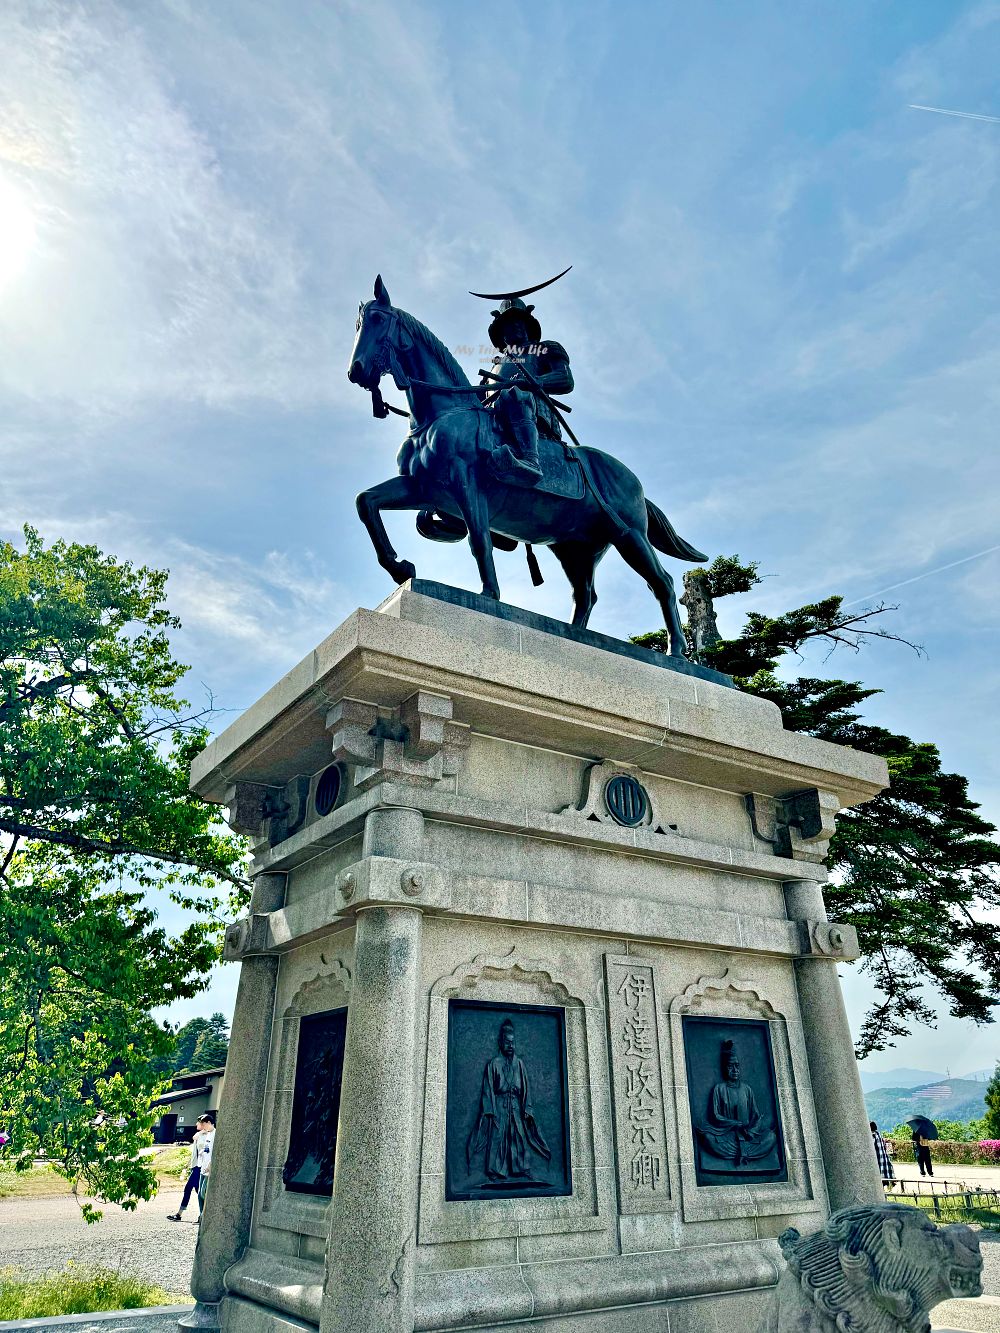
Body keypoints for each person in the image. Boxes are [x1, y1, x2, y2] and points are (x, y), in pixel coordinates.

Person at [480, 297, 574, 480]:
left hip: (533, 413)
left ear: (527, 326)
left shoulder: (545, 348)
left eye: (519, 322)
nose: (515, 326)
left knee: (515, 395)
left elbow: (565, 379)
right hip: (493, 420)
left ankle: (531, 459)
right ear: (501, 333)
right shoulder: (493, 368)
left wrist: (534, 381)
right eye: (508, 324)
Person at [696, 1039, 777, 1169]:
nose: (735, 1069)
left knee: (771, 1137)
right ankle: (741, 1154)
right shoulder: (719, 1088)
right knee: (708, 1138)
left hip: (747, 1135)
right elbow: (715, 1115)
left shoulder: (747, 1089)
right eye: (730, 1066)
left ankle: (743, 1154)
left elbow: (756, 1116)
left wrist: (751, 1130)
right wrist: (734, 1123)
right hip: (727, 1135)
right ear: (724, 1068)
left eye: (737, 1066)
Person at [167, 1114, 212, 1221]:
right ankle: (204, 1214)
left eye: (199, 1122)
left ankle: (179, 1214)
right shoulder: (199, 1135)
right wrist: (188, 1164)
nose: (196, 1124)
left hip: (199, 1167)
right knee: (199, 1191)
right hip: (194, 1166)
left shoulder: (207, 1136)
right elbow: (194, 1146)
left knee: (188, 1189)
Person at [196, 1110, 216, 1213]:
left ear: (209, 1122)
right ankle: (201, 1214)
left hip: (209, 1168)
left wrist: (211, 1164)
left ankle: (206, 1213)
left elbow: (216, 1151)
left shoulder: (215, 1134)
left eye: (203, 1124)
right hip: (203, 1167)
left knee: (204, 1193)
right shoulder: (208, 1134)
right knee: (200, 1193)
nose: (202, 1126)